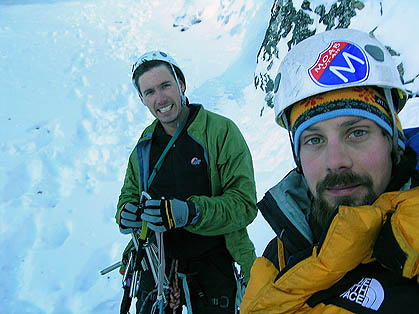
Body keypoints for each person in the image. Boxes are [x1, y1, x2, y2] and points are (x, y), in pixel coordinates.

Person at [241, 28, 419, 313]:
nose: (335, 161)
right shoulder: (283, 250)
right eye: (314, 140)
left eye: (357, 133)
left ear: (392, 141)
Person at [116, 50, 257, 313]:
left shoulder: (221, 132)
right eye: (149, 92)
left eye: (165, 85)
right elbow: (128, 197)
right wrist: (126, 214)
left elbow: (244, 205)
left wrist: (190, 212)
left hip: (215, 264)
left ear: (181, 84)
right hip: (157, 268)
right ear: (142, 99)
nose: (160, 98)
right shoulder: (144, 146)